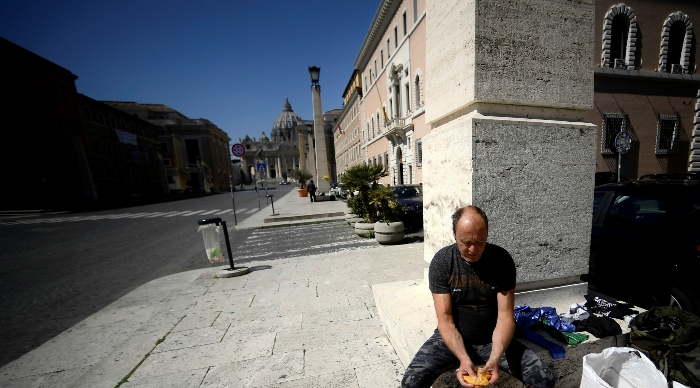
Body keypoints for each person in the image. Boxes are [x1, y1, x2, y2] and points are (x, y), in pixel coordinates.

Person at [401, 206, 556, 388]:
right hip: (452, 340)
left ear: (487, 234)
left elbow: (506, 317)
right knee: (410, 382)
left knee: (544, 379)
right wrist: (463, 358)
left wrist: (495, 358)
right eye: (466, 242)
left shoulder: (501, 260)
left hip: (492, 340)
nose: (473, 249)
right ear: (454, 234)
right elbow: (446, 321)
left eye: (480, 242)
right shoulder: (442, 262)